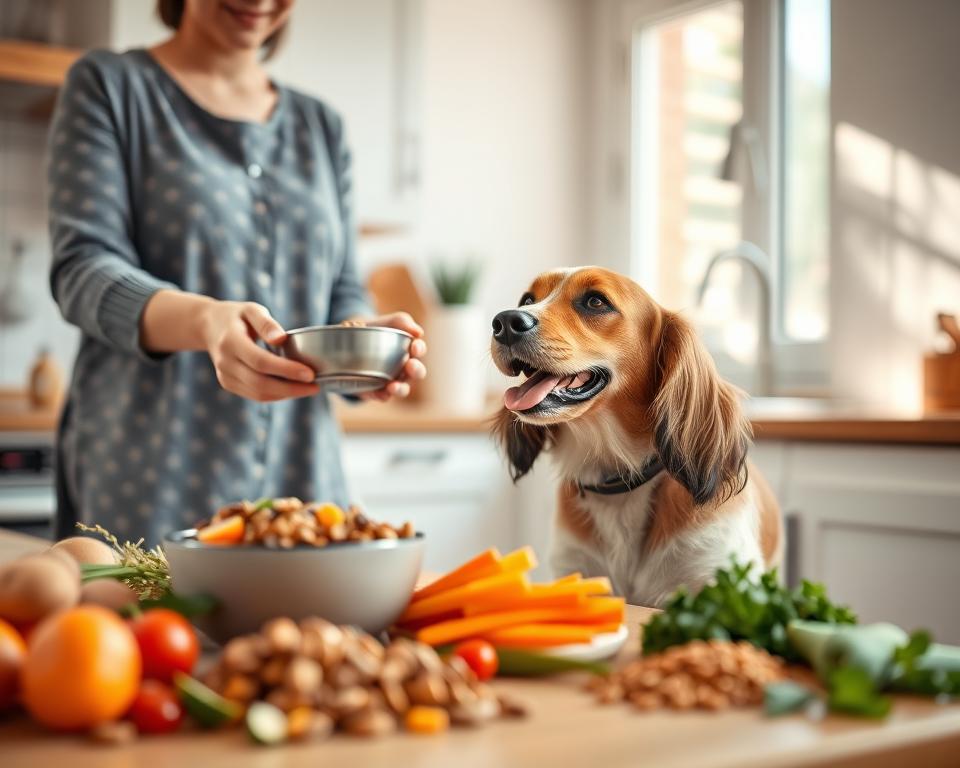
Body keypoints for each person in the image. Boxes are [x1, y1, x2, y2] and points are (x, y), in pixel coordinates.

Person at [46, 0, 426, 545]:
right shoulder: (110, 87)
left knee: (303, 632)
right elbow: (83, 269)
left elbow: (341, 288)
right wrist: (206, 321)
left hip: (302, 473)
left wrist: (362, 347)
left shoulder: (320, 126)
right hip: (147, 473)